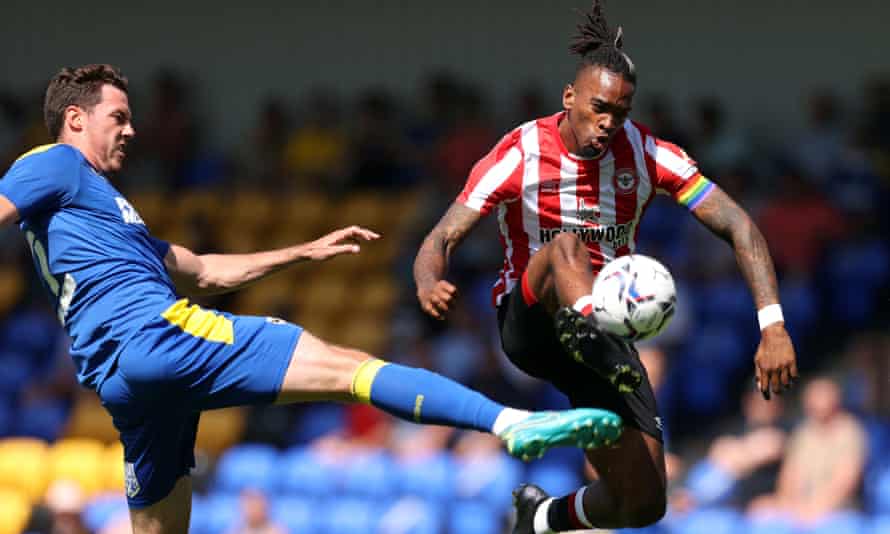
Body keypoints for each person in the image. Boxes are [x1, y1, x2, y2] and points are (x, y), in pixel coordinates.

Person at [0, 64, 626, 534]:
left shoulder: (105, 211)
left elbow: (201, 270)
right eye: (119, 116)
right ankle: (510, 423)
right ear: (76, 119)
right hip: (161, 339)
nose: (132, 129)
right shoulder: (55, 162)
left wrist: (302, 251)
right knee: (348, 369)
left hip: (124, 382)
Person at [413, 2, 798, 531]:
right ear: (569, 97)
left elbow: (738, 224)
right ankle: (596, 329)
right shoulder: (520, 152)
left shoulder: (647, 154)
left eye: (620, 112)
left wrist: (772, 322)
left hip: (604, 341)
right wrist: (428, 279)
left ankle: (543, 516)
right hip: (531, 323)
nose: (608, 123)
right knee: (565, 248)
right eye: (598, 108)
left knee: (643, 503)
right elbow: (443, 234)